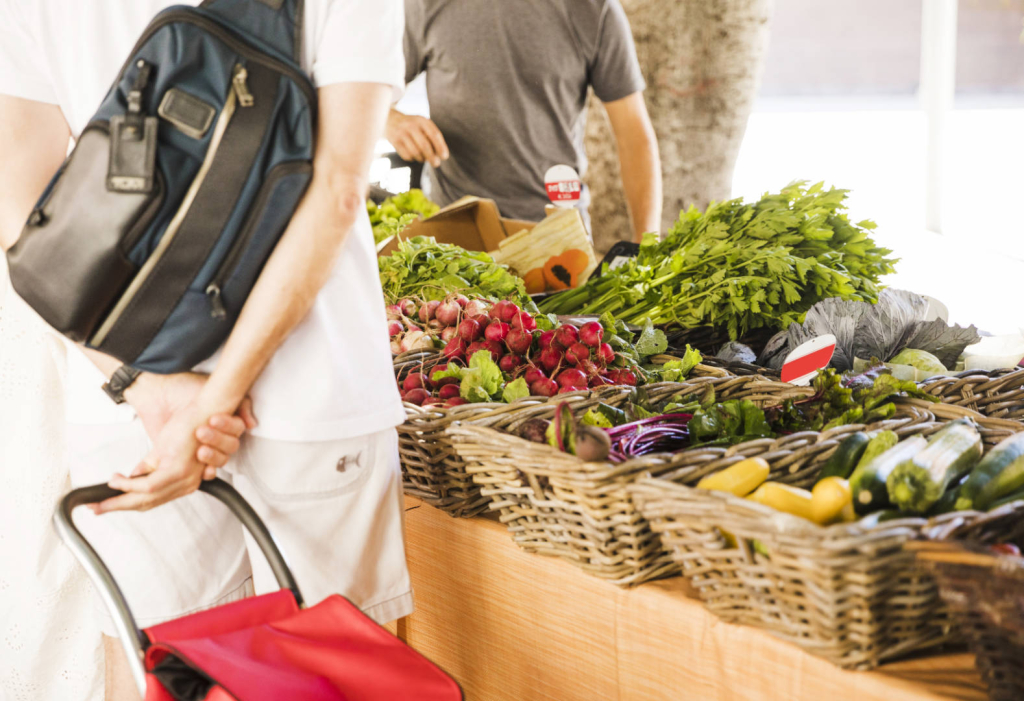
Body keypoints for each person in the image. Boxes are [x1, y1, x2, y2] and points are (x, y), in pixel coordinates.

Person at [0, 2, 411, 700]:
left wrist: (146, 387)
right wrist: (219, 401)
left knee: (157, 670)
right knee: (337, 675)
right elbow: (338, 191)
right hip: (312, 395)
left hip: (133, 417)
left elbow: (18, 203)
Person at [388, 0, 663, 242]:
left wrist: (644, 244)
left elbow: (633, 134)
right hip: (454, 233)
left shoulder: (595, 8)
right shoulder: (424, 4)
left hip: (557, 235)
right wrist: (390, 121)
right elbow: (365, 95)